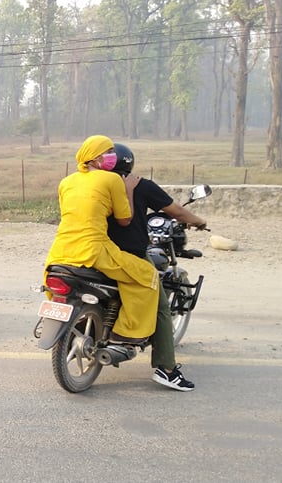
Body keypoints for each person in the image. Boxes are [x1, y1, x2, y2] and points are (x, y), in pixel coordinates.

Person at [106, 143, 204, 391]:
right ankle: (167, 369)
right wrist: (199, 221)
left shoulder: (92, 183)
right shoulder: (141, 186)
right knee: (160, 305)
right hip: (131, 255)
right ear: (129, 163)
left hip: (92, 251)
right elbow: (177, 212)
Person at [44, 134, 159, 344]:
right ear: (95, 158)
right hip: (93, 249)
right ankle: (126, 332)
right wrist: (129, 191)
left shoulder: (66, 182)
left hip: (59, 251)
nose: (112, 156)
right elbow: (124, 220)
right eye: (108, 152)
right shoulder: (112, 179)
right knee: (146, 275)